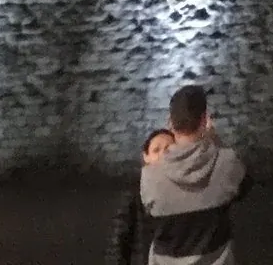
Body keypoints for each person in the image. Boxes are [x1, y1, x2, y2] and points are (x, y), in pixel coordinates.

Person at [139, 84, 250, 265]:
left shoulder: (150, 177)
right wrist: (214, 139)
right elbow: (243, 187)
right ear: (205, 119)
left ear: (170, 123)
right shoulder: (227, 162)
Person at [107, 128, 173, 265]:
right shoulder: (134, 192)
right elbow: (119, 241)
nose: (164, 154)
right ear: (146, 156)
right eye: (156, 150)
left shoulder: (187, 188)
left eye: (169, 148)